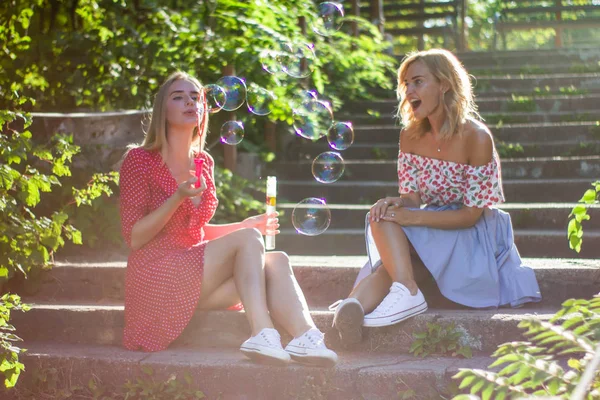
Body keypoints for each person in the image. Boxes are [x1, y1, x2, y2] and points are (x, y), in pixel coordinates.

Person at [119, 71, 337, 367]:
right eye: (178, 96)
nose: (190, 102)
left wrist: (245, 227)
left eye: (196, 97)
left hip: (193, 277)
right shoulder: (140, 160)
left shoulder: (203, 162)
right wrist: (177, 198)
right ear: (162, 109)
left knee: (278, 260)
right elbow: (135, 237)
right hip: (155, 276)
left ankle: (307, 337)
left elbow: (192, 233)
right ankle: (262, 332)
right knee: (249, 243)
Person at [330, 49, 542, 345]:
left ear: (444, 84)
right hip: (432, 225)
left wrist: (412, 216)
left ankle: (402, 292)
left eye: (418, 81)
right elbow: (412, 198)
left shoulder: (477, 137)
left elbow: (471, 215)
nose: (409, 91)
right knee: (380, 217)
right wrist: (396, 203)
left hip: (470, 233)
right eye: (405, 84)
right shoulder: (410, 136)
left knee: (398, 259)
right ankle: (353, 310)